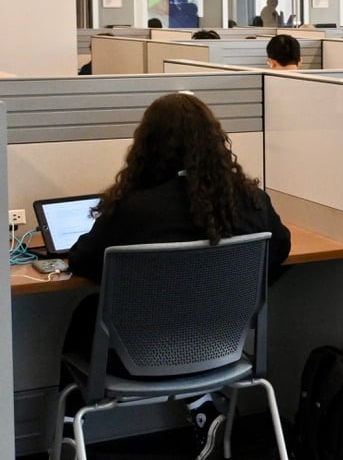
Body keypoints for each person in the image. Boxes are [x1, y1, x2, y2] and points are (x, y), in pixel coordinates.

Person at [66, 92, 291, 460]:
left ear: (148, 146)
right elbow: (280, 250)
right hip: (225, 351)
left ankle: (68, 431)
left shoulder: (133, 209)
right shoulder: (251, 201)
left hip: (139, 357)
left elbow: (83, 261)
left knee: (87, 312)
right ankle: (202, 403)